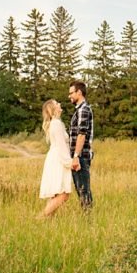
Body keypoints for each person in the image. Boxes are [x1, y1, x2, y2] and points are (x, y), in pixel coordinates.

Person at [37, 99, 72, 218]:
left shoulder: (56, 123)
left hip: (56, 158)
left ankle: (47, 221)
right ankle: (40, 217)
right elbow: (61, 146)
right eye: (57, 103)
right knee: (63, 194)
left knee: (56, 194)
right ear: (52, 109)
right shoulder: (56, 124)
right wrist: (69, 163)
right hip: (58, 160)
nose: (60, 104)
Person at [67, 81, 94, 210]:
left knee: (84, 190)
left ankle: (88, 220)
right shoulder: (79, 110)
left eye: (71, 93)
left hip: (81, 156)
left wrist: (76, 156)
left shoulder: (84, 109)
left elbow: (82, 134)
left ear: (79, 92)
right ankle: (86, 218)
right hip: (78, 156)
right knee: (81, 189)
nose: (69, 96)